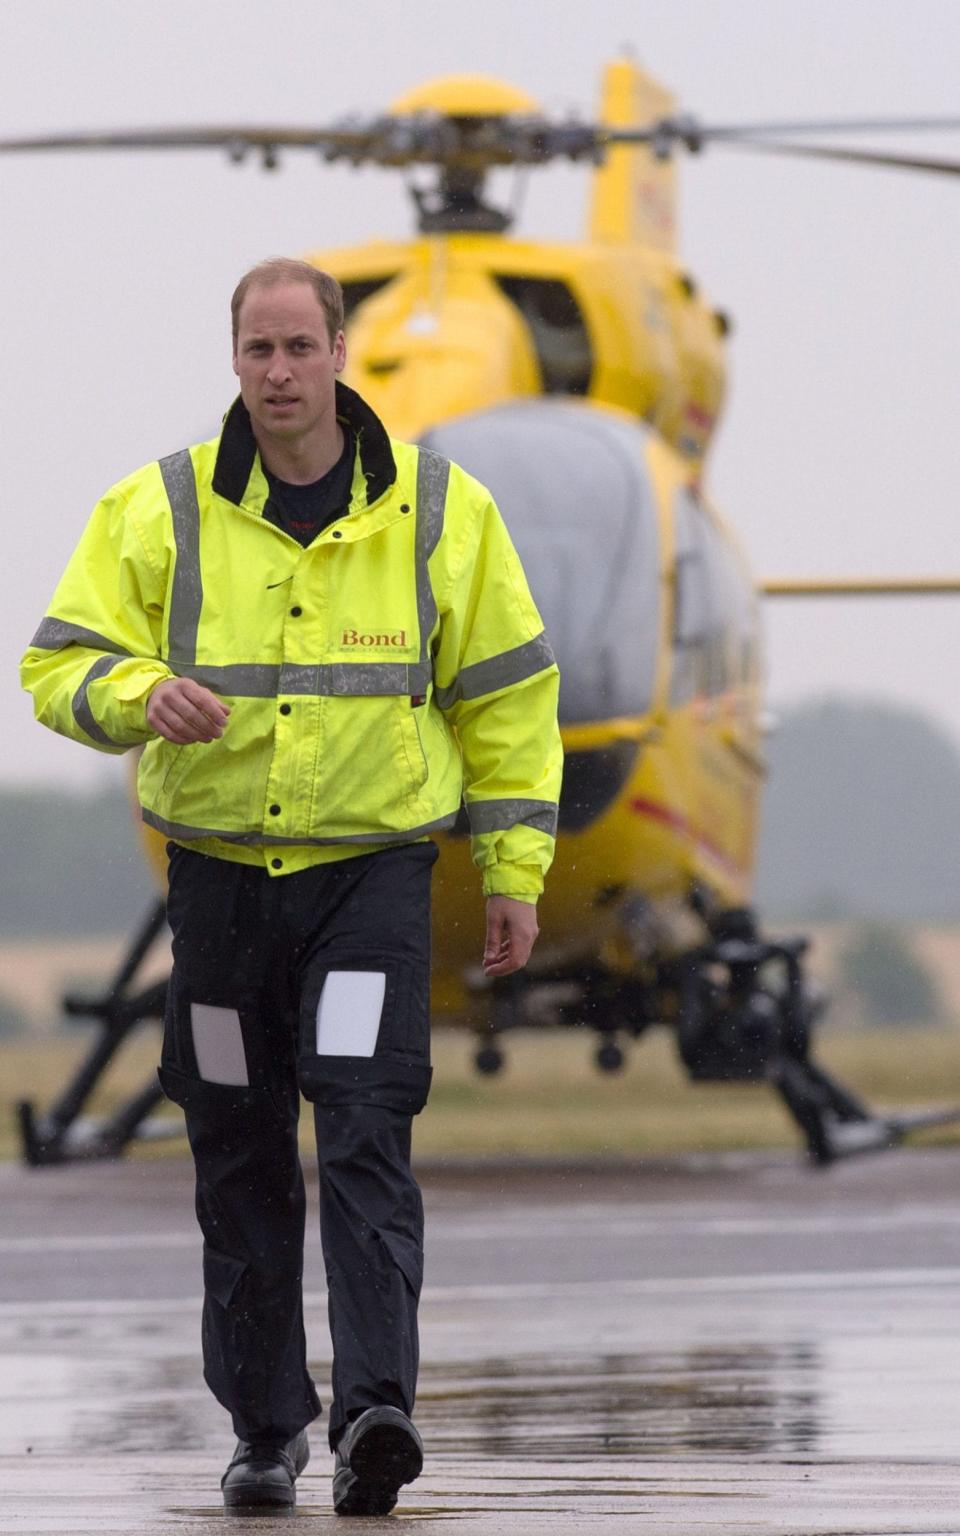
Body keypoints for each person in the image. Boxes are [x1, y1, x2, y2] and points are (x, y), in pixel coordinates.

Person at [20, 257, 562, 1515]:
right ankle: (266, 1429)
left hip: (368, 887)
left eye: (299, 348)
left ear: (337, 355)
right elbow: (57, 665)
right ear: (234, 361)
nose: (278, 373)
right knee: (237, 1154)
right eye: (257, 350)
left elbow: (510, 696)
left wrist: (514, 868)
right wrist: (132, 693)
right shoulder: (157, 510)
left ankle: (377, 1411)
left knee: (366, 1133)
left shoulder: (440, 510)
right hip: (214, 896)